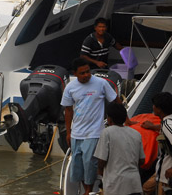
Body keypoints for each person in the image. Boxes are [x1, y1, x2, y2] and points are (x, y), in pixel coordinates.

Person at [61, 57, 119, 195]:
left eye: (88, 71)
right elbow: (68, 110)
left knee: (90, 163)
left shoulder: (101, 83)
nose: (86, 75)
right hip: (76, 134)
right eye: (82, 73)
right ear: (75, 73)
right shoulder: (70, 87)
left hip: (94, 132)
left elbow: (116, 100)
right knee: (78, 165)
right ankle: (87, 190)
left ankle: (88, 191)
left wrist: (126, 121)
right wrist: (68, 132)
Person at [94, 102, 145, 195]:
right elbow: (142, 160)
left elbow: (102, 160)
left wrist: (100, 170)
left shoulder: (107, 132)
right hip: (135, 184)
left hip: (116, 186)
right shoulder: (136, 134)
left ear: (109, 119)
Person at [152, 92, 172, 194]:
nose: (153, 107)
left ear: (159, 109)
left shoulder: (166, 124)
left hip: (166, 177)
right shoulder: (168, 122)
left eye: (154, 105)